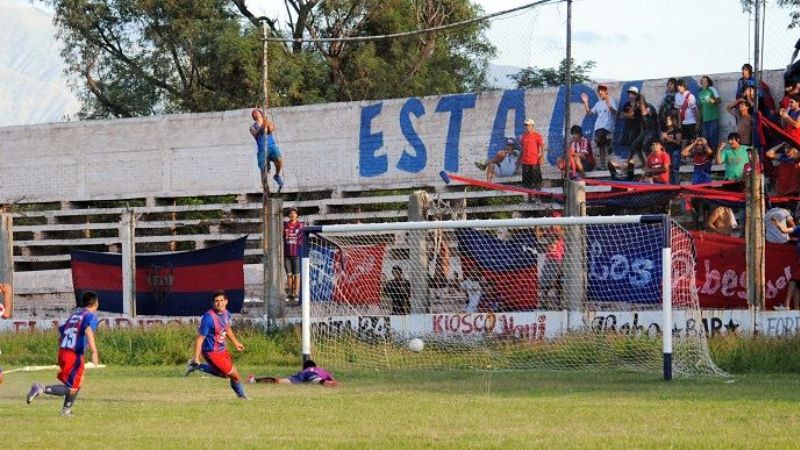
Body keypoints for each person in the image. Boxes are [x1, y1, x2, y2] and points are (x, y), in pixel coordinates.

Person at [26, 291, 101, 417]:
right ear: (96, 304)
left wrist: (62, 355)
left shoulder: (75, 315)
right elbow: (88, 331)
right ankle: (41, 388)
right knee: (71, 388)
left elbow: (61, 336)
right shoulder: (91, 316)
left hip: (64, 351)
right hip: (74, 354)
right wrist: (94, 352)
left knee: (78, 381)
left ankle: (66, 410)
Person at [185, 290, 248, 400]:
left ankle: (196, 366)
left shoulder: (226, 314)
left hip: (222, 350)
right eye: (216, 301)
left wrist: (236, 343)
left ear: (226, 301)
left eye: (221, 300)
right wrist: (196, 357)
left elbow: (227, 328)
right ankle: (242, 397)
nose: (219, 303)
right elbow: (200, 338)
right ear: (213, 303)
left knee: (225, 374)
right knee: (235, 374)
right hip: (212, 352)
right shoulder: (208, 318)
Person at [580, 84, 617, 167]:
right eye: (599, 90)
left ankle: (607, 142)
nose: (600, 92)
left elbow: (615, 113)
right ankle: (603, 164)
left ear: (606, 91)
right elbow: (589, 113)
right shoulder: (598, 104)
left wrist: (609, 105)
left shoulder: (611, 100)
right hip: (598, 126)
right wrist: (585, 102)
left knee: (598, 139)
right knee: (601, 145)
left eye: (602, 90)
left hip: (607, 126)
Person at [249, 108, 284, 189]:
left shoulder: (268, 122)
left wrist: (266, 123)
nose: (255, 113)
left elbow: (271, 130)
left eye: (257, 111)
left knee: (279, 161)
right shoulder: (252, 127)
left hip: (271, 146)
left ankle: (277, 175)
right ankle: (265, 188)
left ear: (261, 114)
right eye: (253, 113)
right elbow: (255, 134)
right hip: (262, 150)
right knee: (263, 171)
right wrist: (262, 126)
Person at [247, 359, 339, 387]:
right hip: (311, 376)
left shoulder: (304, 370)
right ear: (315, 365)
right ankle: (328, 384)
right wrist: (335, 382)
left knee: (278, 381)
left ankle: (254, 380)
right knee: (320, 381)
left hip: (299, 376)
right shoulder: (320, 369)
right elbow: (330, 378)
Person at [518, 118, 544, 194]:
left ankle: (538, 196)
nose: (526, 127)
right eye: (525, 125)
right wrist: (519, 158)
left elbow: (542, 146)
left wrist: (542, 157)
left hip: (534, 161)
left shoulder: (537, 136)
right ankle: (528, 197)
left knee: (536, 181)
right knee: (526, 183)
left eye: (528, 125)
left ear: (532, 126)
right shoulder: (523, 136)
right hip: (525, 161)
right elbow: (522, 148)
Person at [283, 208, 304, 303]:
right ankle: (290, 293)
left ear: (297, 215)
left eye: (294, 213)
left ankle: (296, 294)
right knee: (289, 275)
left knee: (297, 275)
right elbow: (282, 236)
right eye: (291, 213)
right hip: (287, 253)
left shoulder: (301, 225)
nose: (292, 215)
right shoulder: (285, 225)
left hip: (297, 253)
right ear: (289, 215)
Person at [698, 76, 722, 148]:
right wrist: (699, 120)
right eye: (702, 80)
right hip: (705, 120)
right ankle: (709, 154)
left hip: (713, 118)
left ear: (708, 83)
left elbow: (719, 100)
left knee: (713, 138)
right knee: (705, 140)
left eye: (705, 81)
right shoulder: (700, 92)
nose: (704, 82)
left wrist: (713, 101)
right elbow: (700, 107)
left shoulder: (711, 89)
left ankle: (715, 154)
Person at [661, 112, 683, 184]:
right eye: (666, 120)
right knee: (669, 169)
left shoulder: (677, 130)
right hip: (667, 152)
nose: (667, 121)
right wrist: (663, 139)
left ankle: (677, 185)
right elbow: (663, 143)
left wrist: (667, 138)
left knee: (675, 169)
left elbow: (678, 142)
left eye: (669, 120)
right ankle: (671, 185)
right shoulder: (665, 131)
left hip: (675, 152)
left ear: (673, 121)